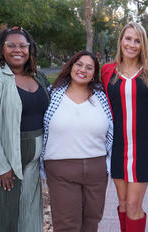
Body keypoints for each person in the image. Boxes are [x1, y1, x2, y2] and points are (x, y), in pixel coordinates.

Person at [0, 26, 49, 232]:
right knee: (4, 221)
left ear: (30, 49)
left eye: (23, 45)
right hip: (4, 166)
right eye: (11, 45)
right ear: (0, 48)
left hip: (31, 165)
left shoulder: (37, 77)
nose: (18, 50)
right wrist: (0, 167)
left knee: (29, 216)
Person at [40, 50, 113, 232]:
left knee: (92, 221)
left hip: (96, 169)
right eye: (79, 64)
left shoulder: (102, 97)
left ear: (94, 74)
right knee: (67, 224)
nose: (83, 70)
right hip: (61, 168)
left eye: (89, 67)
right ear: (71, 66)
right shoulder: (51, 95)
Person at [101, 22, 148, 232]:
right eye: (128, 39)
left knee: (134, 205)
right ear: (120, 41)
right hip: (117, 148)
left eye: (137, 40)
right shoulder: (108, 71)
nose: (132, 44)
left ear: (143, 44)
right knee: (123, 203)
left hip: (144, 148)